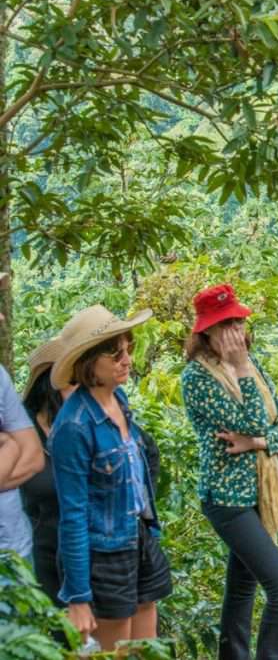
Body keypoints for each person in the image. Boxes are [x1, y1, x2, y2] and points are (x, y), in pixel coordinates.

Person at [180, 284, 278, 660]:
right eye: (225, 325)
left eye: (237, 323)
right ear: (205, 333)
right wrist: (243, 368)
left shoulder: (253, 364)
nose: (235, 333)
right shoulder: (197, 379)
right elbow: (253, 418)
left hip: (258, 494)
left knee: (242, 588)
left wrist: (258, 443)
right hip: (226, 498)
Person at [49, 305, 172, 651]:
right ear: (88, 364)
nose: (126, 360)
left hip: (138, 533)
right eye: (114, 353)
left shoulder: (118, 397)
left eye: (129, 348)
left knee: (146, 649)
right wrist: (78, 597)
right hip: (104, 551)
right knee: (113, 647)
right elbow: (71, 515)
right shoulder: (74, 427)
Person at [19, 336, 77, 605]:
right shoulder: (21, 430)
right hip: (40, 555)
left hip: (85, 554)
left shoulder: (87, 423)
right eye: (72, 382)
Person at [0, 271, 45, 562]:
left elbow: (33, 456)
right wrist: (10, 446)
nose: (2, 317)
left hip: (16, 552)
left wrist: (11, 445)